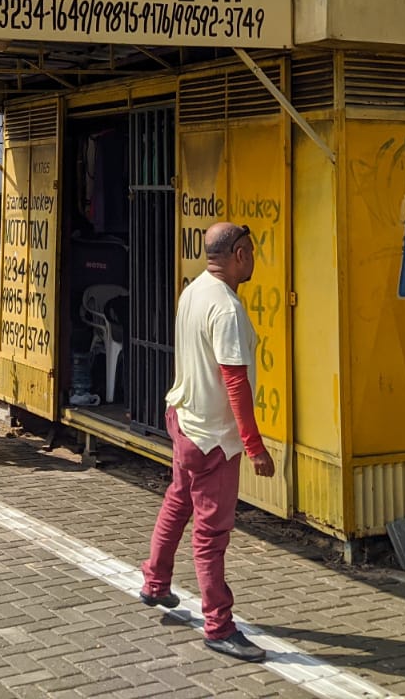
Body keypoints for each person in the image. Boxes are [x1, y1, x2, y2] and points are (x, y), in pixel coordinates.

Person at [139, 221, 274, 663]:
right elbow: (235, 382)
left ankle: (155, 582)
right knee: (211, 535)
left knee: (178, 501)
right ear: (238, 253)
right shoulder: (228, 309)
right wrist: (254, 446)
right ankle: (219, 626)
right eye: (251, 252)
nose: (254, 259)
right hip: (213, 438)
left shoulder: (193, 290)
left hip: (182, 419)